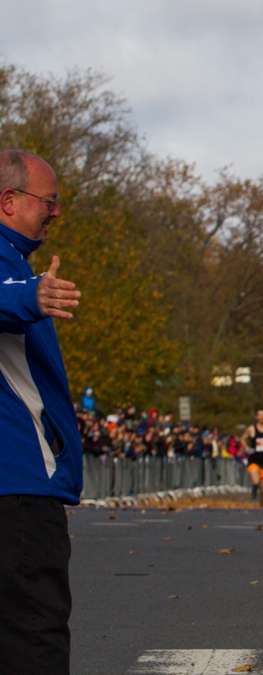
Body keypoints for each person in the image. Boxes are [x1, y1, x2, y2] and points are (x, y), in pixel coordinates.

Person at [0, 149, 82, 674]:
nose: (55, 213)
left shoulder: (16, 264)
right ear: (9, 201)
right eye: (48, 202)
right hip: (18, 494)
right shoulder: (15, 274)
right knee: (34, 637)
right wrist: (31, 295)